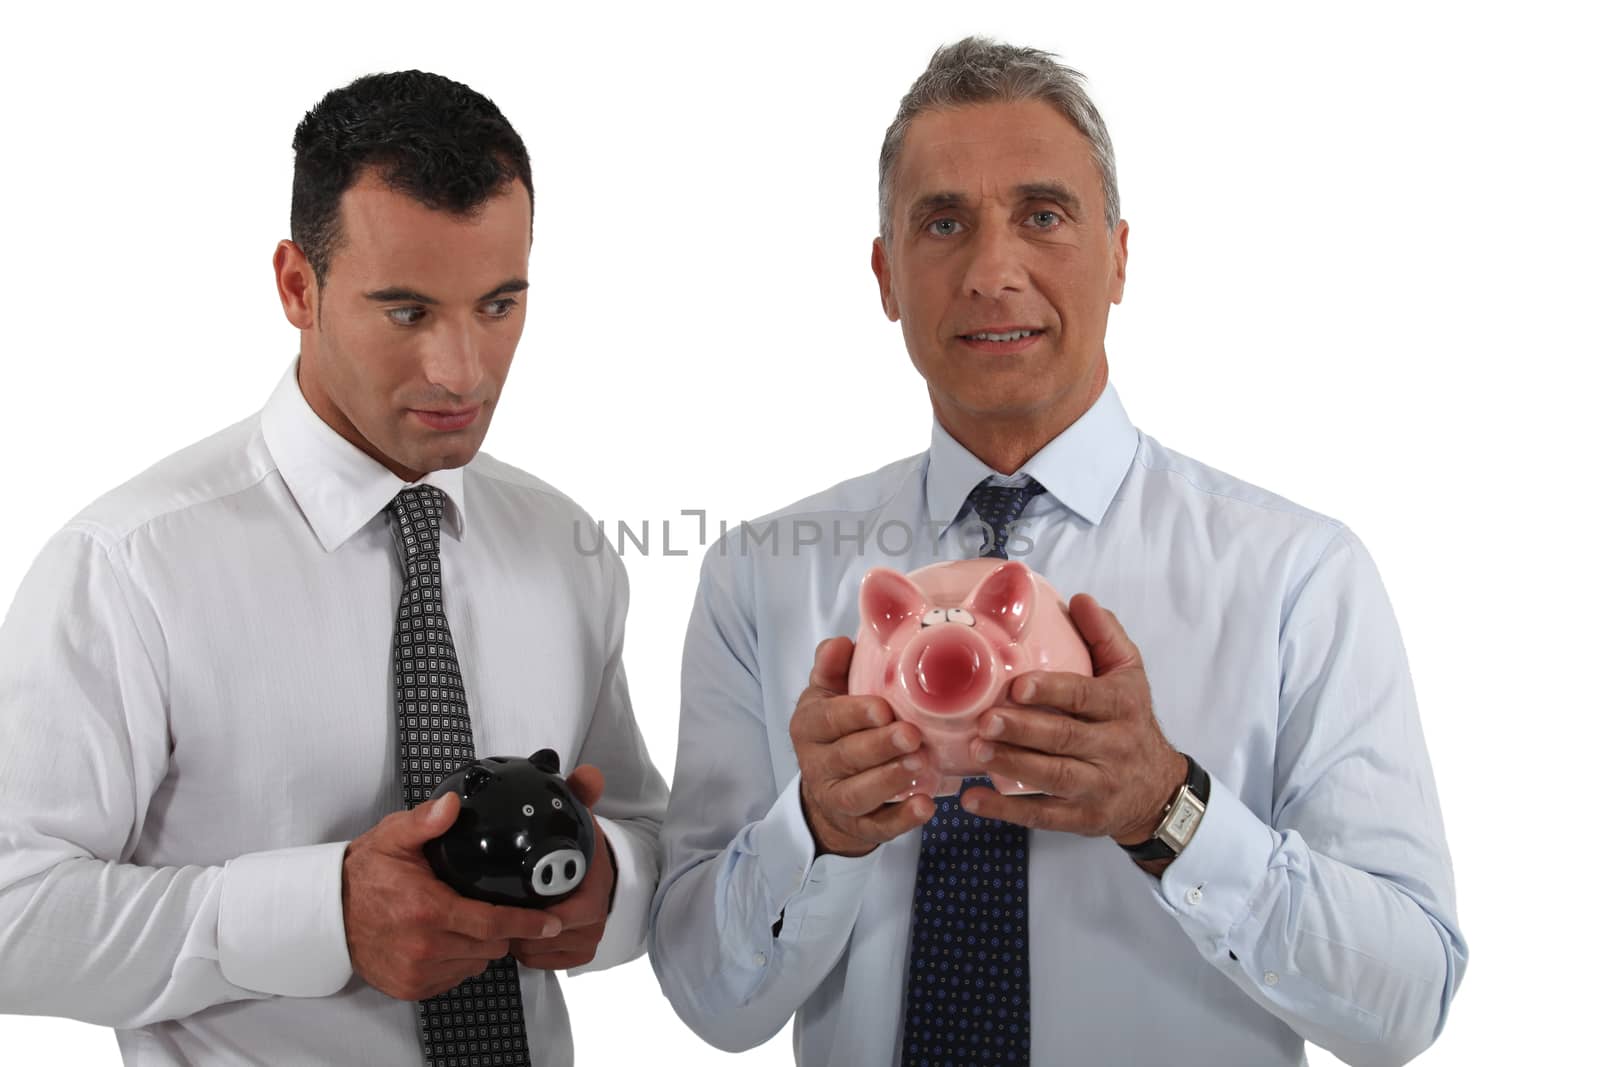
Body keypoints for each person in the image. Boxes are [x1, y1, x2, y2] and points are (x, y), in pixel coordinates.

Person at [649, 37, 1465, 1067]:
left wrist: (1166, 807)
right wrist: (814, 828)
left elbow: (1404, 1002)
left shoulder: (1297, 574)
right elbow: (710, 1003)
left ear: (1119, 255)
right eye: (943, 223)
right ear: (885, 273)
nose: (994, 272)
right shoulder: (759, 577)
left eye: (1042, 214)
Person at [0, 71, 667, 1066]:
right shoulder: (130, 567)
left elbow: (649, 830)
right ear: (295, 285)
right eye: (406, 311)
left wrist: (612, 884)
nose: (462, 369)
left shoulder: (562, 545)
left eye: (497, 304)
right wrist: (323, 915)